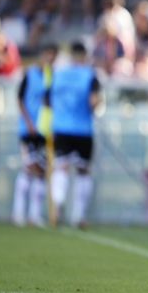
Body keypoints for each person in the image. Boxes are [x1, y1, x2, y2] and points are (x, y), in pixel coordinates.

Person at [48, 43, 100, 228]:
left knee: (61, 167)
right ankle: (79, 215)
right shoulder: (90, 75)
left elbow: (47, 100)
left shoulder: (58, 74)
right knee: (83, 171)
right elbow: (94, 101)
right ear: (85, 55)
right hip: (83, 128)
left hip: (61, 127)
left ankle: (58, 204)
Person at [12, 44, 57, 227]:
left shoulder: (51, 76)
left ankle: (34, 214)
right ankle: (18, 212)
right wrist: (29, 122)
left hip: (43, 130)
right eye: (48, 55)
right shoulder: (29, 74)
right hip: (27, 129)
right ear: (42, 54)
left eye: (53, 56)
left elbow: (50, 102)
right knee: (29, 167)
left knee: (41, 171)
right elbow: (20, 99)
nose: (50, 59)